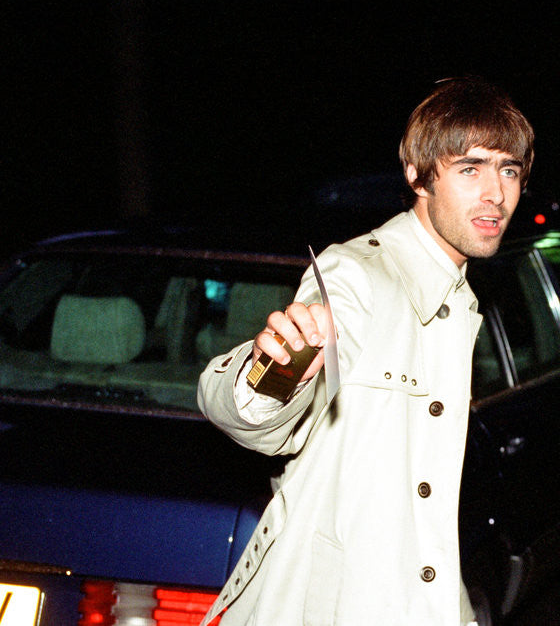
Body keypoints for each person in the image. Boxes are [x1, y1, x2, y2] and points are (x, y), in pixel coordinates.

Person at [198, 76, 534, 626]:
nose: (495, 192)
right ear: (417, 175)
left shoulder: (458, 297)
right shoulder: (357, 274)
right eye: (470, 168)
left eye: (509, 170)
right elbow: (250, 413)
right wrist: (280, 366)